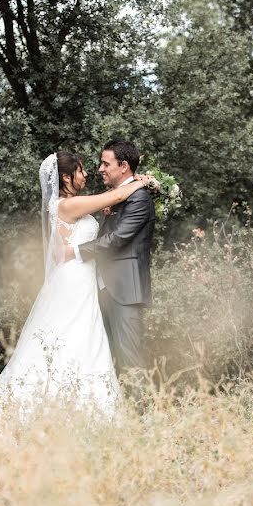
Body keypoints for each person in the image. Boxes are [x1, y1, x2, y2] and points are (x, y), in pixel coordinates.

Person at [0, 151, 156, 438]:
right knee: (74, 337)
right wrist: (140, 182)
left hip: (81, 278)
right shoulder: (66, 205)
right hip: (74, 279)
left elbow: (107, 203)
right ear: (65, 177)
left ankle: (83, 412)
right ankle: (83, 413)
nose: (87, 174)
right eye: (81, 170)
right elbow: (111, 198)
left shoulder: (68, 204)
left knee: (79, 339)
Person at [67, 140, 156, 385]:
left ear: (124, 166)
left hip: (125, 291)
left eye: (106, 163)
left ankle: (142, 419)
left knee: (130, 361)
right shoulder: (117, 198)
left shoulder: (138, 198)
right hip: (104, 289)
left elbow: (117, 239)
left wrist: (74, 251)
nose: (100, 169)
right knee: (109, 361)